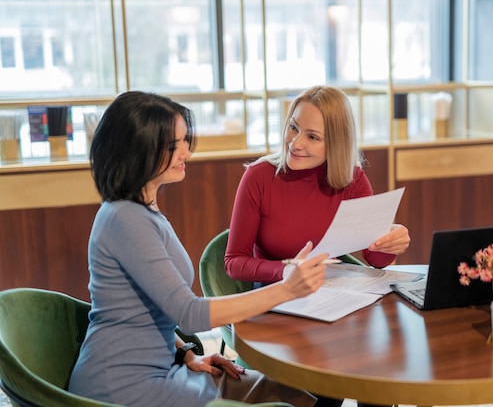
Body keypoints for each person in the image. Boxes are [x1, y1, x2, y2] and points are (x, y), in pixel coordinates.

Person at [68, 91, 333, 407]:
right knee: (286, 401)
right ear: (136, 151)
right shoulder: (126, 218)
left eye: (185, 141)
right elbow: (189, 313)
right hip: (124, 388)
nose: (187, 153)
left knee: (296, 396)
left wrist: (185, 353)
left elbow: (149, 309)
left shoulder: (140, 210)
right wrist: (288, 289)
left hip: (163, 370)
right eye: (173, 146)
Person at [224, 85, 411, 407]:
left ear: (335, 143)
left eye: (312, 137)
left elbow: (374, 258)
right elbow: (234, 261)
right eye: (293, 127)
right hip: (277, 296)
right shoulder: (259, 177)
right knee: (327, 376)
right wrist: (286, 270)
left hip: (333, 294)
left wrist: (392, 242)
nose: (295, 143)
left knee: (379, 371)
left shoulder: (351, 180)